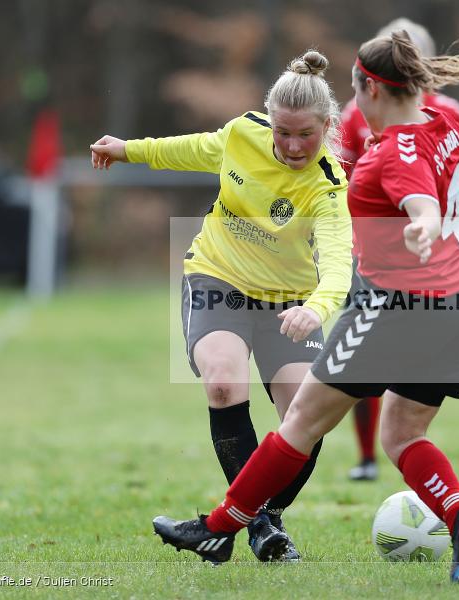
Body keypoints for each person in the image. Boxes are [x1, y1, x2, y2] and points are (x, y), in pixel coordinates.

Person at [151, 31, 459, 585]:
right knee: (403, 435)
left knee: (301, 422)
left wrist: (424, 226)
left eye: (355, 93)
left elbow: (420, 202)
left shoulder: (393, 151)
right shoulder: (446, 124)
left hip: (398, 305)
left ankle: (217, 528)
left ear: (371, 90)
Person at [89, 51, 352, 561]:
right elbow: (191, 148)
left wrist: (316, 310)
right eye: (283, 133)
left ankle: (258, 518)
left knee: (308, 414)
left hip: (289, 302)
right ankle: (260, 526)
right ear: (269, 122)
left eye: (306, 134)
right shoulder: (242, 134)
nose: (292, 146)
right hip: (217, 278)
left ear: (326, 126)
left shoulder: (329, 185)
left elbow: (340, 266)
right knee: (224, 382)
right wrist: (127, 150)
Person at [338, 17, 459, 482]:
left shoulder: (445, 115)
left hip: (420, 269)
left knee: (333, 391)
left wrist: (456, 222)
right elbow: (342, 175)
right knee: (366, 377)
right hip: (380, 258)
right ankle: (366, 455)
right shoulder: (359, 113)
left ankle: (235, 513)